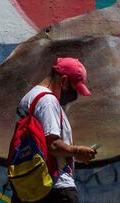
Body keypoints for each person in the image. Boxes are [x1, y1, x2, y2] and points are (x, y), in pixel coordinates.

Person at [13, 58, 97, 203]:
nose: (72, 97)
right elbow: (52, 145)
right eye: (72, 90)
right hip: (56, 187)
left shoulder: (28, 99)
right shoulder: (47, 101)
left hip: (31, 187)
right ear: (63, 81)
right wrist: (78, 151)